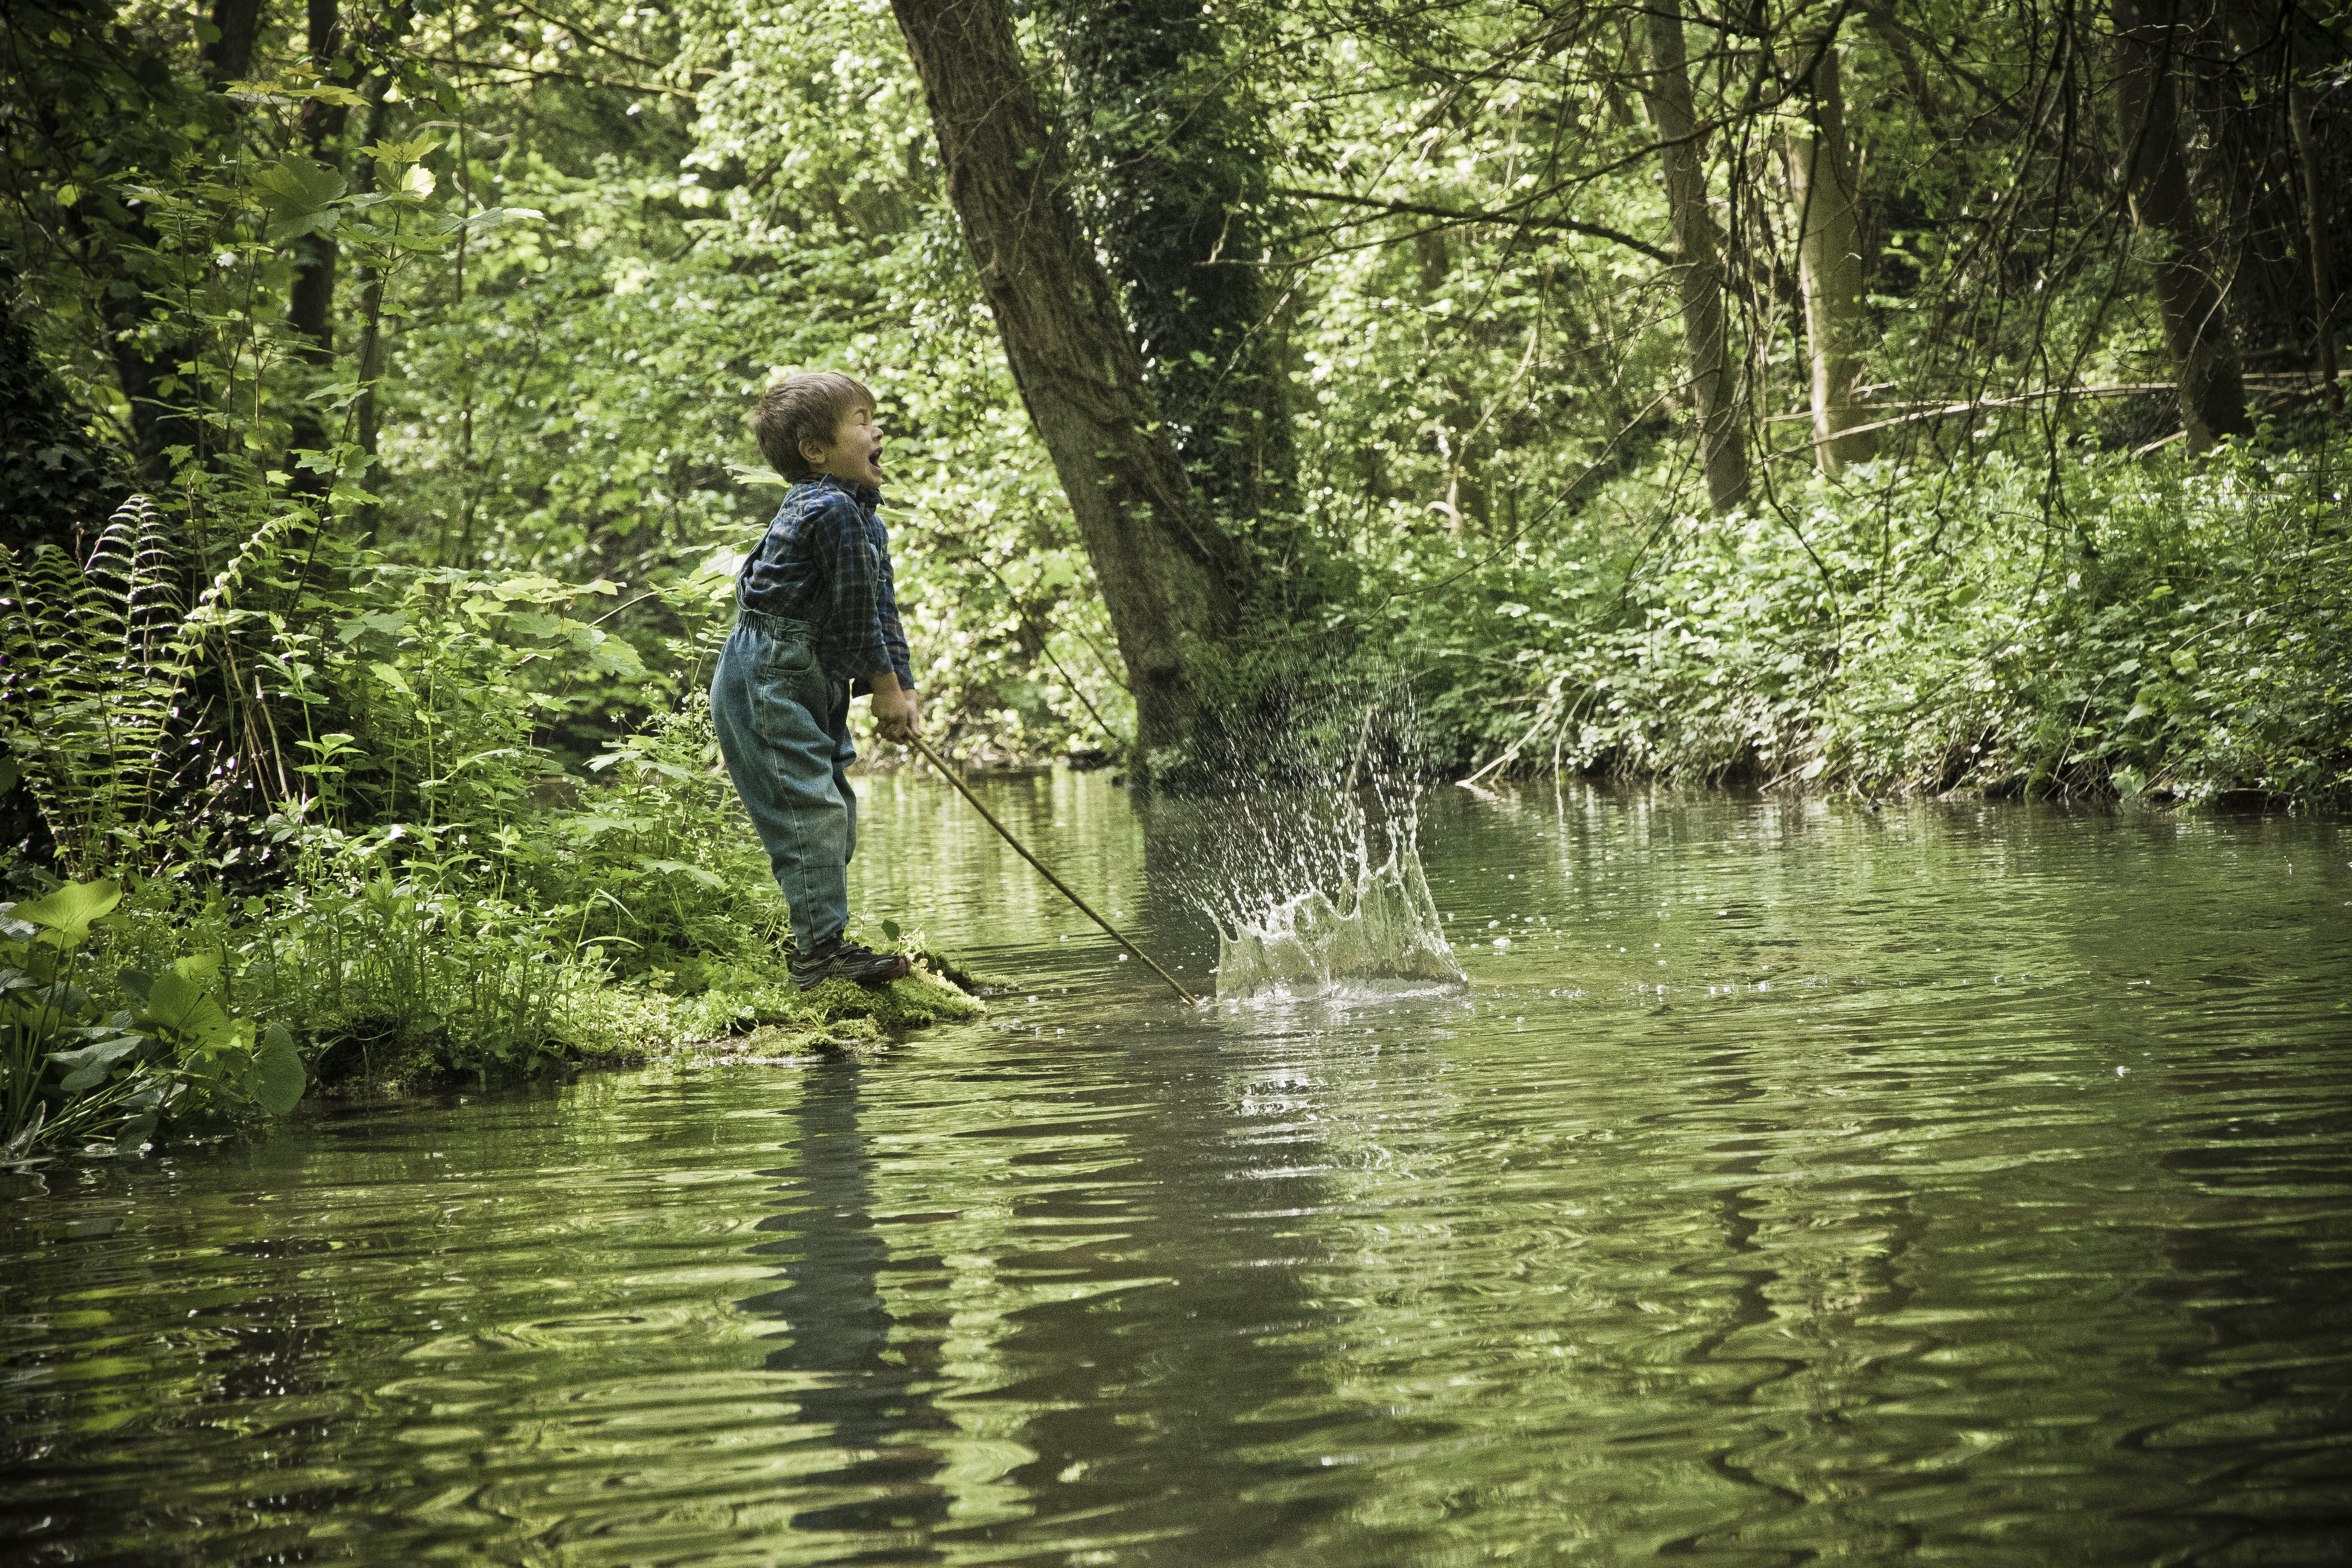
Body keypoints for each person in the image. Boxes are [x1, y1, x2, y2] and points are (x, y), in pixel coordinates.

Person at [711, 371, 919, 990]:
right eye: (861, 420)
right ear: (815, 450)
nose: (877, 428)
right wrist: (882, 687)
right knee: (812, 814)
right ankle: (819, 958)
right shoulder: (828, 511)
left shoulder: (861, 518)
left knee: (836, 814)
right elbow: (856, 620)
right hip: (769, 673)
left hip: (807, 676)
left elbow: (881, 608)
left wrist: (902, 687)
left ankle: (820, 937)